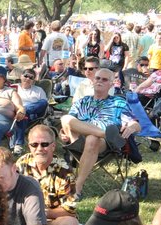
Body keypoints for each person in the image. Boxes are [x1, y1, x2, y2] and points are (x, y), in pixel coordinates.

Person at [60, 67, 140, 198]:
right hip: (77, 140)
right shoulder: (82, 101)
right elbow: (67, 125)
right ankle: (105, 133)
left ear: (111, 84)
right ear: (93, 81)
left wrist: (132, 127)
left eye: (104, 79)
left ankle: (78, 186)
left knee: (92, 138)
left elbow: (134, 123)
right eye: (97, 78)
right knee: (65, 118)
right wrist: (62, 134)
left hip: (103, 144)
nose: (100, 81)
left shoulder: (118, 102)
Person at [16, 124, 80, 225]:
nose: (39, 149)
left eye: (44, 144)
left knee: (71, 223)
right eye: (34, 145)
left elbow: (70, 210)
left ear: (53, 146)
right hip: (25, 214)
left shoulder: (65, 171)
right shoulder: (21, 163)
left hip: (51, 217)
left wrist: (42, 213)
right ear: (29, 146)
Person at [10, 67, 48, 153]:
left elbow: (44, 104)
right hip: (16, 111)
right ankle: (18, 144)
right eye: (26, 76)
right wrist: (21, 109)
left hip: (33, 113)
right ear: (21, 76)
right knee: (22, 114)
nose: (28, 79)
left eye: (31, 78)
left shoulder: (38, 90)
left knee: (43, 102)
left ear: (33, 80)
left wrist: (24, 109)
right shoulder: (13, 87)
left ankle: (24, 110)